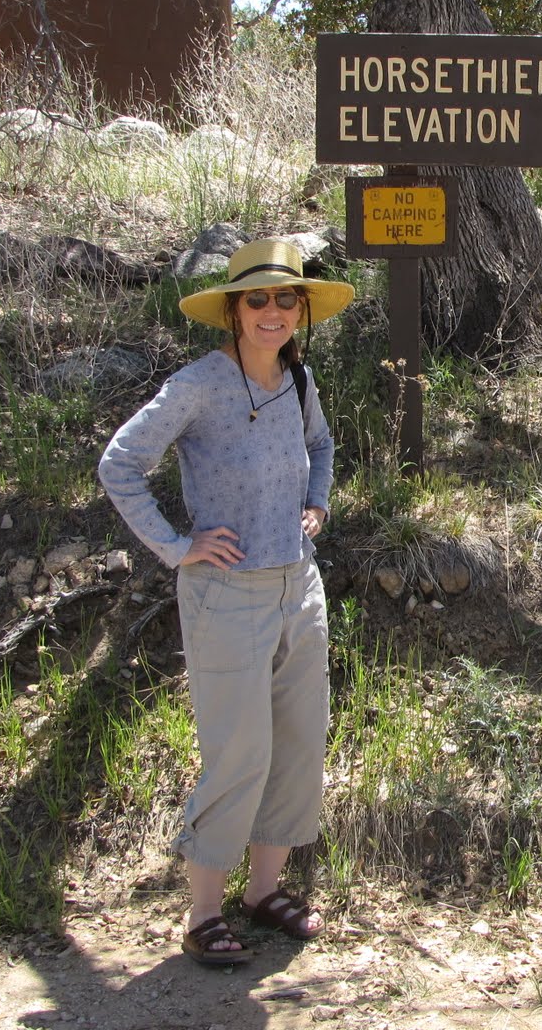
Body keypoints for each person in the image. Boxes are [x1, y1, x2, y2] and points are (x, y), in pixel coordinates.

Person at [99, 238, 355, 967]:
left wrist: (316, 506)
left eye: (285, 299)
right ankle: (203, 914)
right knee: (237, 752)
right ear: (233, 312)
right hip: (224, 598)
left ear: (300, 311)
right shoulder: (199, 386)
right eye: (257, 300)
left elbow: (323, 447)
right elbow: (120, 463)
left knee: (299, 743)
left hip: (297, 587)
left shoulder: (299, 382)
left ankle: (263, 894)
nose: (272, 312)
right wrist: (176, 546)